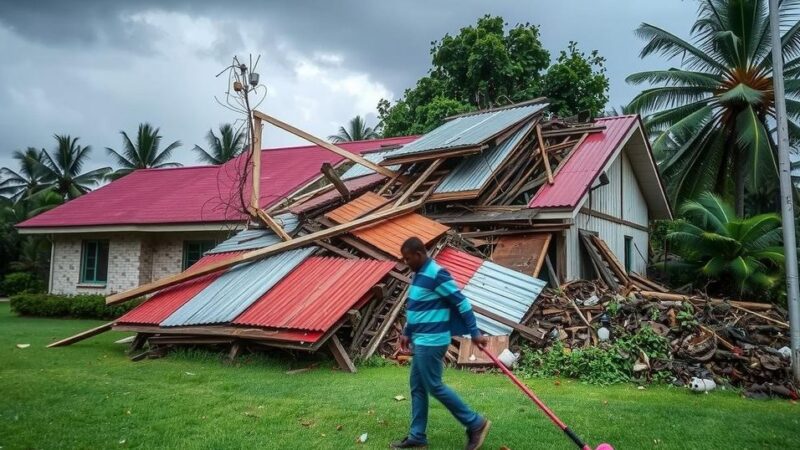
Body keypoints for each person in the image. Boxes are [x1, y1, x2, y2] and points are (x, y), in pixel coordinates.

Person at [390, 237, 491, 450]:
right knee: (418, 387)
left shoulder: (437, 274)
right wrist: (407, 332)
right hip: (421, 340)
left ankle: (476, 423)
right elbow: (416, 307)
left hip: (433, 341)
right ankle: (417, 437)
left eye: (407, 258)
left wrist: (474, 332)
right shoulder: (418, 275)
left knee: (433, 386)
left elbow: (461, 302)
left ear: (418, 254)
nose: (405, 262)